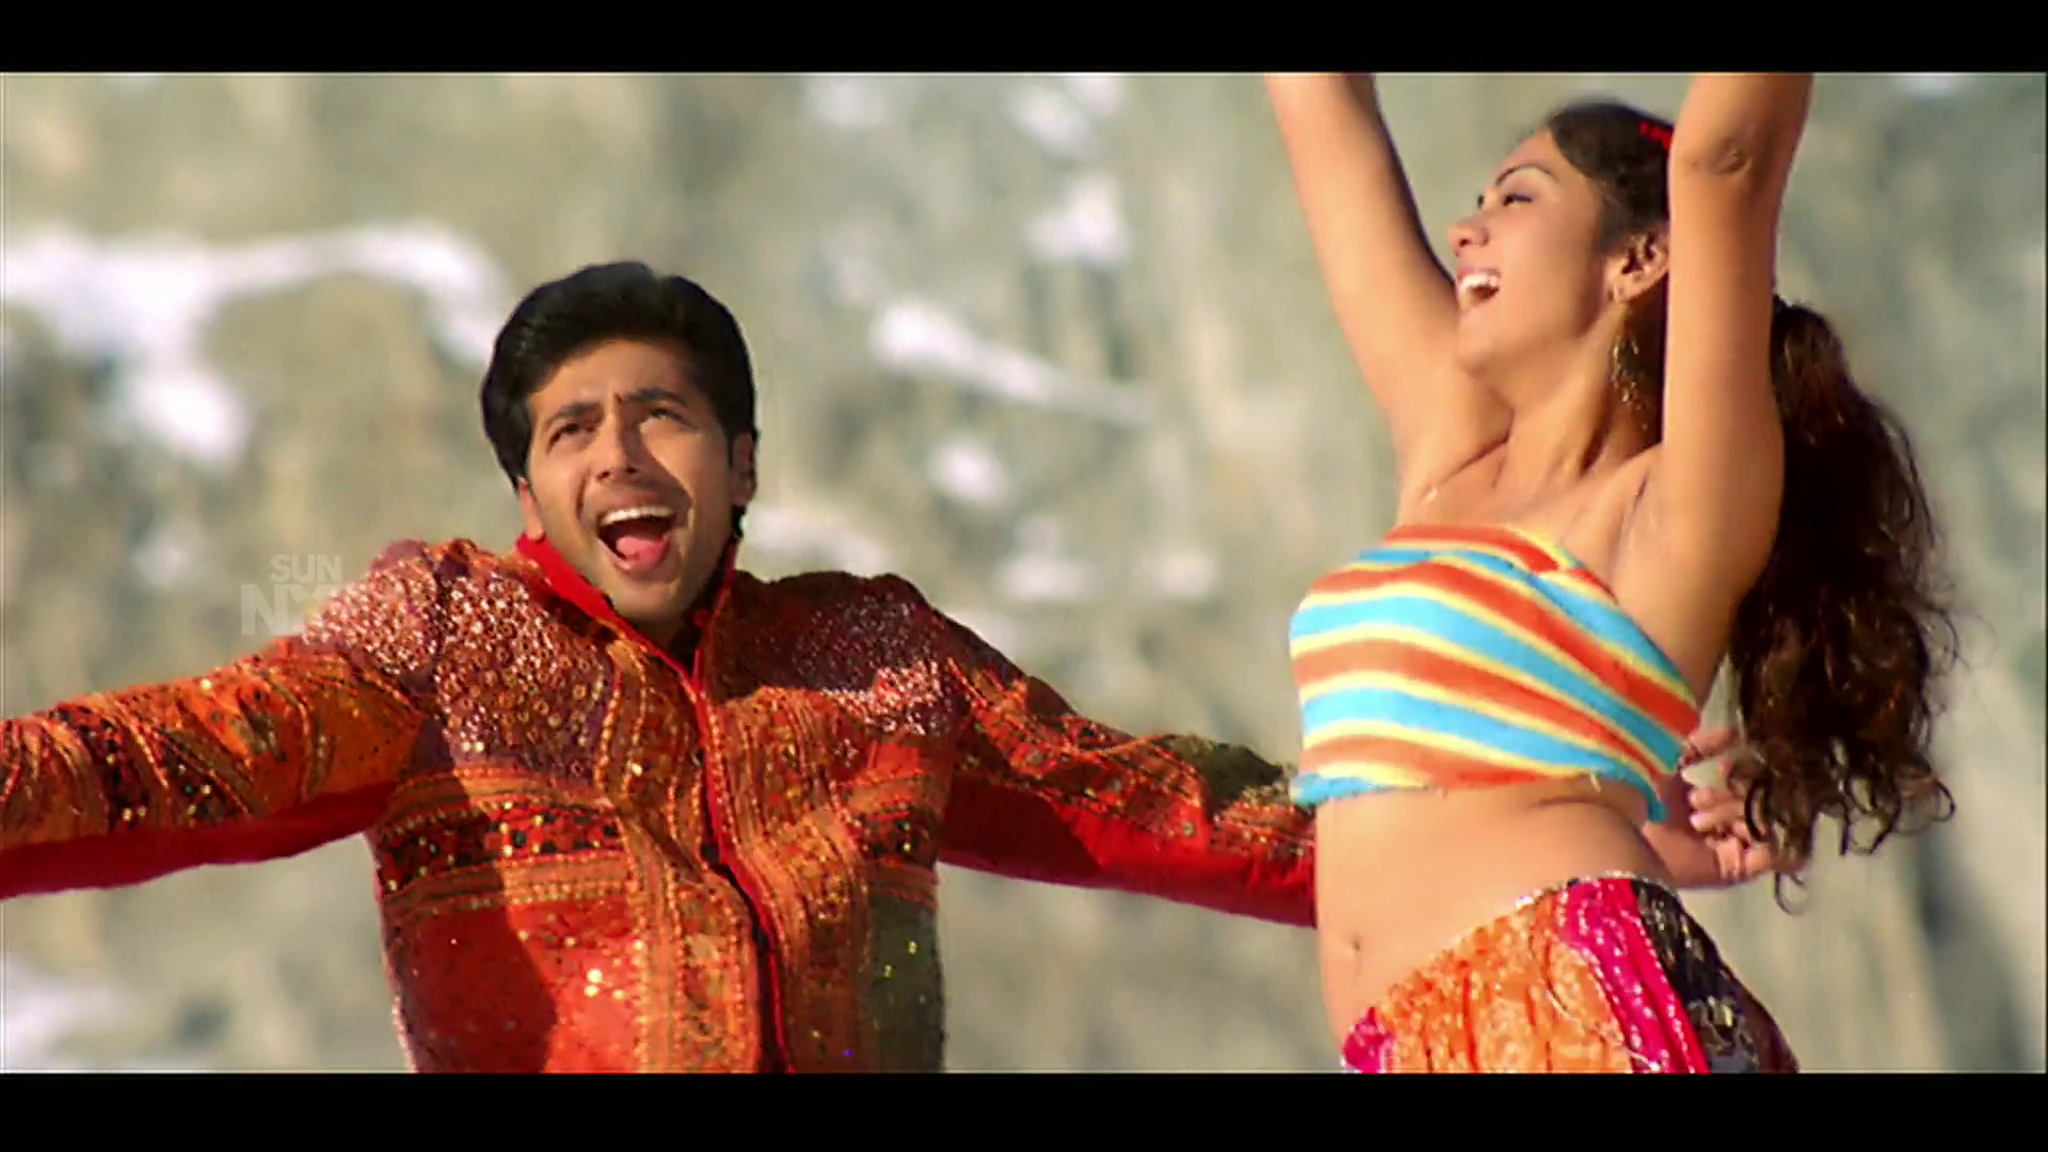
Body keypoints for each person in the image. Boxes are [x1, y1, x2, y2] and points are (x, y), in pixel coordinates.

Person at [4, 260, 1777, 1073]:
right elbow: (158, 760)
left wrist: (1546, 825)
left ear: (740, 463)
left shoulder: (870, 661)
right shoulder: (440, 639)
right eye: (569, 430)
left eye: (660, 415)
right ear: (528, 493)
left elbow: (1177, 805)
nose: (618, 453)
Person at [1264, 72, 1956, 1073]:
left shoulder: (1673, 513)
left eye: (1517, 198)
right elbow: (1318, 104)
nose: (1465, 230)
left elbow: (1724, 163)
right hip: (1404, 1044)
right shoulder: (1452, 453)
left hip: (1571, 1009)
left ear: (1638, 258)